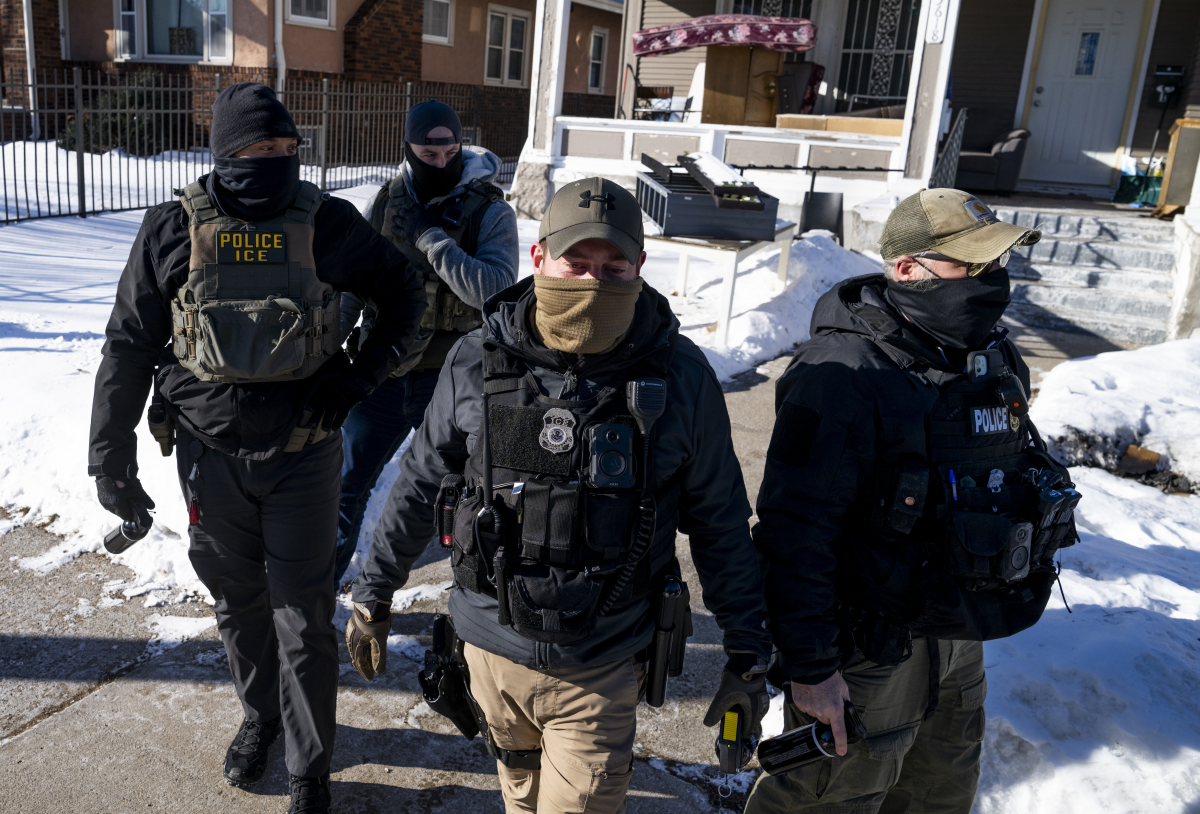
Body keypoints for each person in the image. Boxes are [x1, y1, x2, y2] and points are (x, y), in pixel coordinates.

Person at [344, 177, 773, 813]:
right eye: (577, 262)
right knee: (519, 796)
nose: (594, 281)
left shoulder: (679, 375)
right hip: (489, 655)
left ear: (639, 267)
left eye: (614, 265)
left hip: (600, 665)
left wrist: (746, 653)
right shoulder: (476, 358)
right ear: (541, 257)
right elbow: (420, 482)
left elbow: (720, 524)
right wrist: (374, 593)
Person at [87, 83, 425, 814]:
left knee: (303, 615)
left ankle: (310, 766)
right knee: (238, 604)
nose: (272, 160)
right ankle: (260, 716)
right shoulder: (171, 230)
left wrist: (355, 377)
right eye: (253, 149)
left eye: (284, 148)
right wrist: (108, 459)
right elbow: (129, 344)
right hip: (208, 458)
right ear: (222, 154)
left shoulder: (327, 223)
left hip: (305, 455)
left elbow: (404, 294)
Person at [744, 189, 1081, 814]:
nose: (994, 282)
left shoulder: (991, 358)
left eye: (999, 265)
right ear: (908, 270)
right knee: (829, 801)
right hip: (867, 650)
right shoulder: (840, 374)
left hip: (959, 639)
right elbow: (794, 533)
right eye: (974, 267)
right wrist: (812, 666)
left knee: (939, 796)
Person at [333, 101, 519, 587]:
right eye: (427, 155)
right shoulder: (384, 203)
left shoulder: (491, 210)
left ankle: (475, 600)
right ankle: (318, 592)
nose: (439, 164)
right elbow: (353, 285)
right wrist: (327, 346)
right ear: (409, 151)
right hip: (384, 372)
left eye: (449, 153)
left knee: (466, 494)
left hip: (454, 382)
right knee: (346, 486)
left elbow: (497, 293)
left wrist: (431, 238)